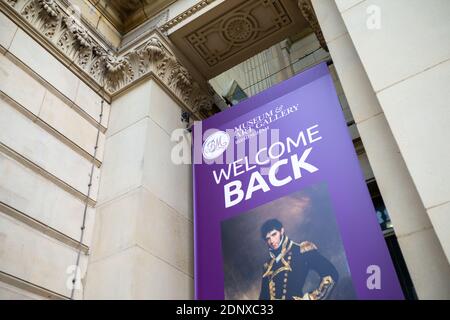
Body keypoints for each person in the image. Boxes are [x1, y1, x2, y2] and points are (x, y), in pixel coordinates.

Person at [259, 219, 339, 300]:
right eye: (268, 238)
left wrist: (311, 297)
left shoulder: (301, 250)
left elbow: (331, 274)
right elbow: (263, 297)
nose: (272, 241)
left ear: (281, 231)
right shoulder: (268, 265)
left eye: (274, 234)